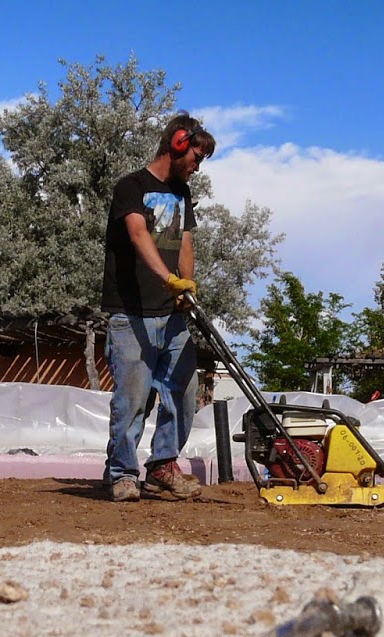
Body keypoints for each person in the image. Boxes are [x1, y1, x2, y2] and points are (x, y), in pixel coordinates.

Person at [101, 111, 215, 502]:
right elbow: (137, 233)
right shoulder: (130, 186)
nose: (198, 167)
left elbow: (184, 242)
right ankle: (122, 474)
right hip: (130, 312)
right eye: (196, 158)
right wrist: (167, 279)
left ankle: (163, 466)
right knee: (132, 399)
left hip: (172, 313)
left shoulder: (182, 194)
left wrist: (186, 289)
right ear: (178, 145)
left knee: (184, 389)